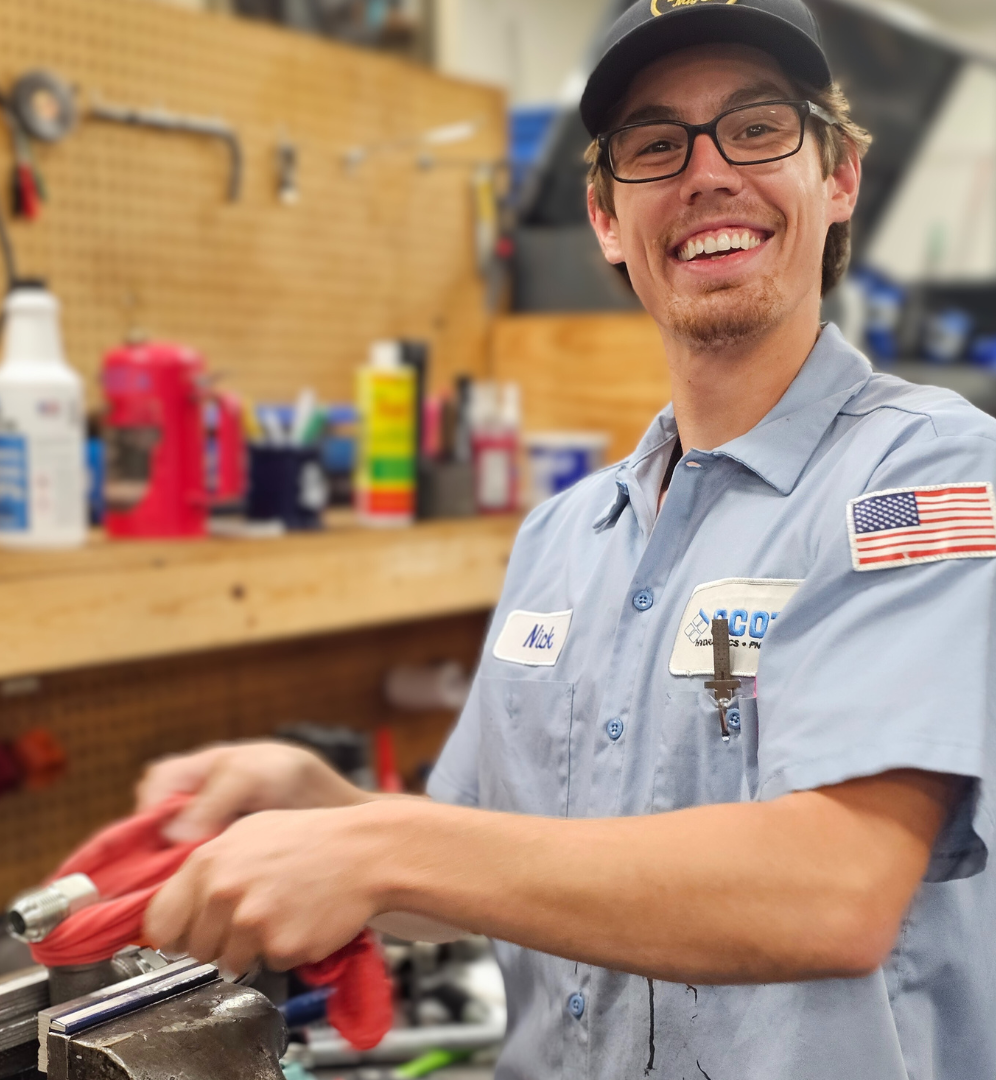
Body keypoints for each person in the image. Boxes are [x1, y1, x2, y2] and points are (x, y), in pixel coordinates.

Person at [140, 1, 996, 1076]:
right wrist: (328, 813)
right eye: (654, 145)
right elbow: (477, 869)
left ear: (839, 180)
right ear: (605, 217)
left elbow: (837, 889)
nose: (708, 173)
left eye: (760, 127)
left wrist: (380, 845)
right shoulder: (565, 537)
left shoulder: (925, 476)